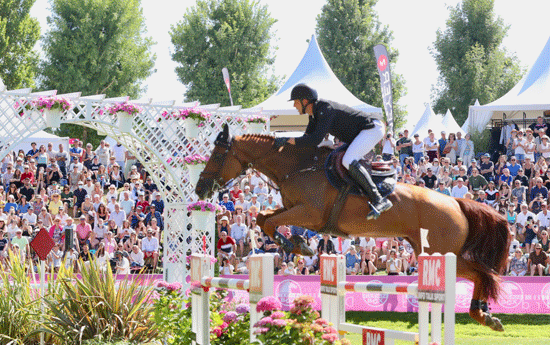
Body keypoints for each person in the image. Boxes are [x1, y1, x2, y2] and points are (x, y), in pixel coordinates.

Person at [275, 83, 391, 220]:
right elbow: (307, 139)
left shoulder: (325, 108)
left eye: (295, 102)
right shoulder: (314, 114)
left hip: (371, 128)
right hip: (362, 132)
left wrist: (288, 139)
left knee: (348, 160)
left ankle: (379, 199)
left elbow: (315, 140)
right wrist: (286, 145)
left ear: (305, 101)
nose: (294, 106)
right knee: (335, 158)